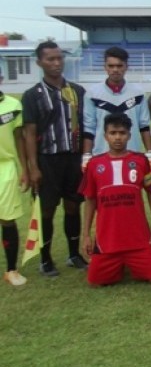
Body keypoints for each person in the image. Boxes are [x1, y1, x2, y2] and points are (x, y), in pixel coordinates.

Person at [22, 41, 87, 276]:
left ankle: (73, 254)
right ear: (40, 62)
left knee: (73, 206)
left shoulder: (77, 91)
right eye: (50, 59)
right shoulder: (32, 95)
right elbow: (29, 133)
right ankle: (46, 259)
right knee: (47, 210)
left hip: (73, 159)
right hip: (47, 160)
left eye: (59, 58)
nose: (56, 63)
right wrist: (33, 167)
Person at [79, 114, 151, 287]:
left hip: (138, 239)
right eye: (113, 133)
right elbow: (90, 200)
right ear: (105, 136)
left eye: (122, 133)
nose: (118, 137)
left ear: (129, 136)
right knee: (94, 283)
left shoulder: (140, 161)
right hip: (107, 241)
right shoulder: (94, 164)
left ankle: (132, 261)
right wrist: (86, 234)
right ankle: (116, 265)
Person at [82, 46, 151, 165]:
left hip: (132, 156)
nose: (115, 69)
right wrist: (86, 156)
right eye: (111, 66)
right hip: (101, 156)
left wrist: (150, 153)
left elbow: (144, 126)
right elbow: (89, 127)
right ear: (105, 67)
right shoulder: (92, 93)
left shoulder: (138, 93)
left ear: (126, 67)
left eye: (119, 66)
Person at [0, 88, 29, 286]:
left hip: (5, 168)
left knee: (7, 219)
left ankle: (11, 270)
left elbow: (20, 138)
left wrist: (25, 169)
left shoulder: (13, 106)